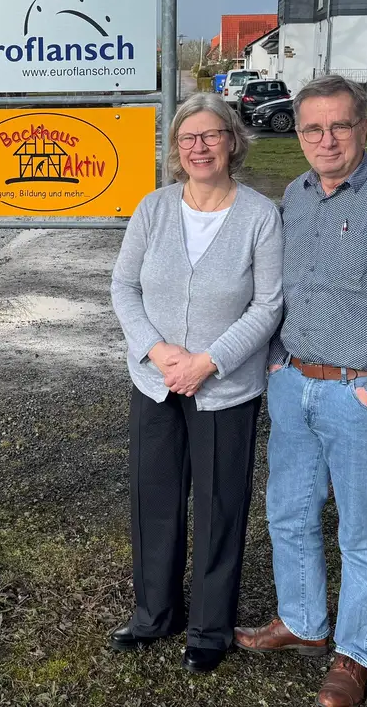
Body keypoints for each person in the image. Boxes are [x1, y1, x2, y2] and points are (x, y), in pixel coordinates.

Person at [234, 75, 367, 707]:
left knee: (363, 533)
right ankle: (302, 621)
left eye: (339, 126)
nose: (325, 140)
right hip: (294, 385)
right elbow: (284, 292)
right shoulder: (296, 196)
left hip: (361, 398)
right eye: (312, 128)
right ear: (298, 134)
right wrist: (278, 361)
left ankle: (356, 652)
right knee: (289, 513)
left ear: (362, 127)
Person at [108, 93, 284, 674]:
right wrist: (158, 351)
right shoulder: (153, 208)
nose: (199, 147)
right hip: (156, 380)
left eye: (211, 135)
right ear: (176, 149)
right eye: (188, 138)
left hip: (224, 387)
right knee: (154, 497)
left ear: (233, 140)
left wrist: (208, 362)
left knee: (219, 504)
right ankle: (155, 612)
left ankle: (210, 627)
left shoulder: (260, 215)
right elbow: (124, 287)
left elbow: (268, 305)